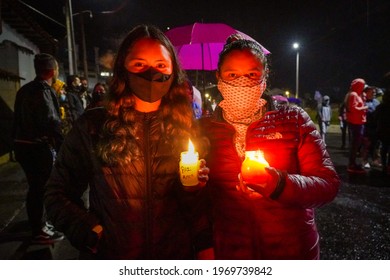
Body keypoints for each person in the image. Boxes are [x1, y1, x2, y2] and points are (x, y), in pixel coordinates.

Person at [44, 24, 213, 260]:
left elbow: (197, 208)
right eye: (139, 64)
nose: (151, 73)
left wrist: (193, 189)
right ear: (123, 68)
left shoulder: (186, 126)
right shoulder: (94, 125)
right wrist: (90, 231)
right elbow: (56, 194)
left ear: (173, 72)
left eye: (161, 65)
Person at [201, 35, 340, 259]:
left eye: (252, 75)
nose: (242, 83)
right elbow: (197, 203)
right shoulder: (204, 129)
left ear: (264, 79)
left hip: (292, 251)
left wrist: (277, 184)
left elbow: (328, 184)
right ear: (219, 77)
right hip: (231, 251)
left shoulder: (293, 119)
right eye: (232, 75)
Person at [12, 53, 64, 244]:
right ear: (52, 71)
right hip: (36, 147)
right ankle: (38, 230)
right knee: (40, 188)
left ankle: (38, 222)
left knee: (35, 186)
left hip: (22, 145)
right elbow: (51, 121)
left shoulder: (25, 89)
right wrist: (62, 146)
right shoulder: (43, 90)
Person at [344, 78, 368, 173]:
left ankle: (353, 163)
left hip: (357, 122)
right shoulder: (353, 94)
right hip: (356, 123)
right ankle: (352, 164)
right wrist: (364, 107)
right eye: (362, 85)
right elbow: (353, 108)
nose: (363, 87)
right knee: (355, 144)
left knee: (356, 144)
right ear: (358, 85)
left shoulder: (356, 94)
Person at [374, 72, 390, 175]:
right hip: (385, 129)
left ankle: (385, 166)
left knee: (385, 147)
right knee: (385, 147)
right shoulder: (381, 107)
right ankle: (387, 166)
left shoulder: (380, 107)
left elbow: (376, 118)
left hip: (383, 130)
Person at [361, 86, 381, 169]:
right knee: (367, 145)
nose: (374, 93)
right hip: (367, 127)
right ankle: (365, 161)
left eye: (375, 92)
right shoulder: (363, 102)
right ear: (367, 92)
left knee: (376, 145)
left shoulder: (376, 102)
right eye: (372, 92)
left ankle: (375, 160)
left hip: (376, 127)